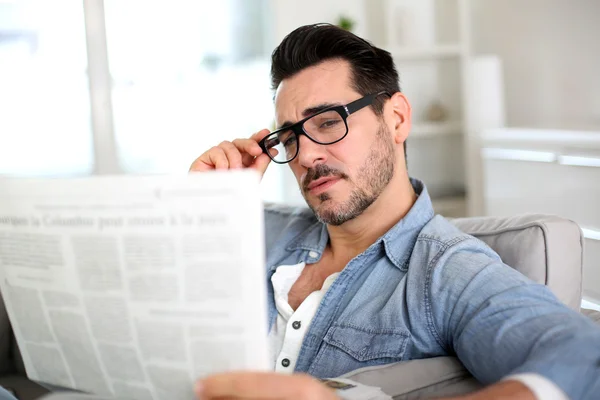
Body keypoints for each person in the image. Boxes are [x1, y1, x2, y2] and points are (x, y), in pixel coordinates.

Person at [189, 24, 600, 400]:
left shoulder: (444, 270)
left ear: (397, 119)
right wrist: (205, 207)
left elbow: (581, 357)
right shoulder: (254, 228)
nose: (306, 155)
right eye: (290, 137)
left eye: (328, 122)